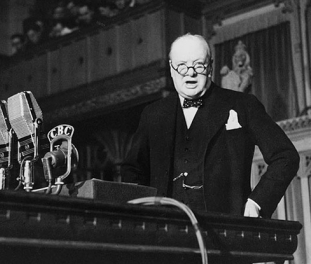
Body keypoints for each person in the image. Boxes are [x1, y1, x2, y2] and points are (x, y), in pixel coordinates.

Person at [121, 33, 299, 218]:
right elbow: (132, 169)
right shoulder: (153, 114)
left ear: (211, 67)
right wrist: (143, 213)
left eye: (199, 64)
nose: (190, 73)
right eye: (182, 66)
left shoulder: (244, 105)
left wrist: (257, 203)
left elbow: (286, 156)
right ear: (172, 69)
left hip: (227, 229)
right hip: (165, 230)